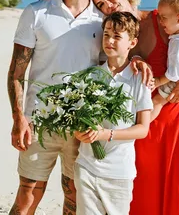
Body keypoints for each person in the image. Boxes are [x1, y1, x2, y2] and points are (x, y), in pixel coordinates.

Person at [90, 0, 179, 215]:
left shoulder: (163, 17)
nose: (108, 6)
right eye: (100, 5)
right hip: (146, 123)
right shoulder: (113, 34)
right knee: (146, 193)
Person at [7, 0, 103, 215]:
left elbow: (128, 49)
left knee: (74, 201)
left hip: (83, 128)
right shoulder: (37, 12)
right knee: (27, 197)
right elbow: (16, 73)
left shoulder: (104, 21)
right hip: (38, 123)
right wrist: (19, 119)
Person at [74, 11, 153, 215]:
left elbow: (142, 129)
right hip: (86, 165)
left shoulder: (139, 79)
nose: (109, 40)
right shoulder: (91, 75)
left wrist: (105, 135)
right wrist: (79, 132)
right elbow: (78, 117)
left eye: (117, 36)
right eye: (106, 34)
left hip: (119, 171)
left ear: (132, 43)